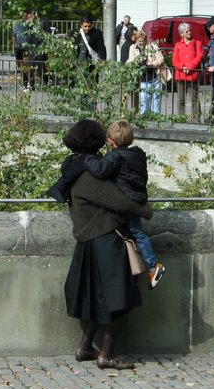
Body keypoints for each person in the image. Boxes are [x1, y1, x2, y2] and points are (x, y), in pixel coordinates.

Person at [53, 119, 152, 371]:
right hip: (106, 240)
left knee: (96, 300)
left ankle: (85, 346)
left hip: (89, 241)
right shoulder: (90, 173)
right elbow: (120, 201)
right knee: (119, 299)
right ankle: (106, 354)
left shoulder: (74, 167)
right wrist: (145, 210)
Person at [82, 120, 165, 289]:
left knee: (137, 232)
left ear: (110, 140)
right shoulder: (138, 154)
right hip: (138, 196)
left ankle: (154, 265)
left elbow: (100, 170)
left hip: (127, 200)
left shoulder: (115, 156)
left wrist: (87, 158)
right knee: (130, 231)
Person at [127, 30, 167, 115]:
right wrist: (136, 62)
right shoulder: (133, 48)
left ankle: (155, 118)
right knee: (144, 100)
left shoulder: (152, 46)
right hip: (142, 79)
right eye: (139, 41)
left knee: (156, 100)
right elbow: (130, 61)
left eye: (143, 40)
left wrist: (152, 64)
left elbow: (161, 59)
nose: (141, 43)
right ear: (136, 40)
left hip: (155, 77)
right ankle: (144, 118)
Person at [172, 22, 203, 121]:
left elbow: (199, 57)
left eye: (190, 30)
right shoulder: (177, 45)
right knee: (181, 99)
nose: (189, 32)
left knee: (194, 99)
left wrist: (189, 67)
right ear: (182, 34)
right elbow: (174, 60)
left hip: (192, 76)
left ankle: (196, 119)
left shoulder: (197, 43)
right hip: (180, 76)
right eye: (187, 31)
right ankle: (181, 118)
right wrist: (182, 67)